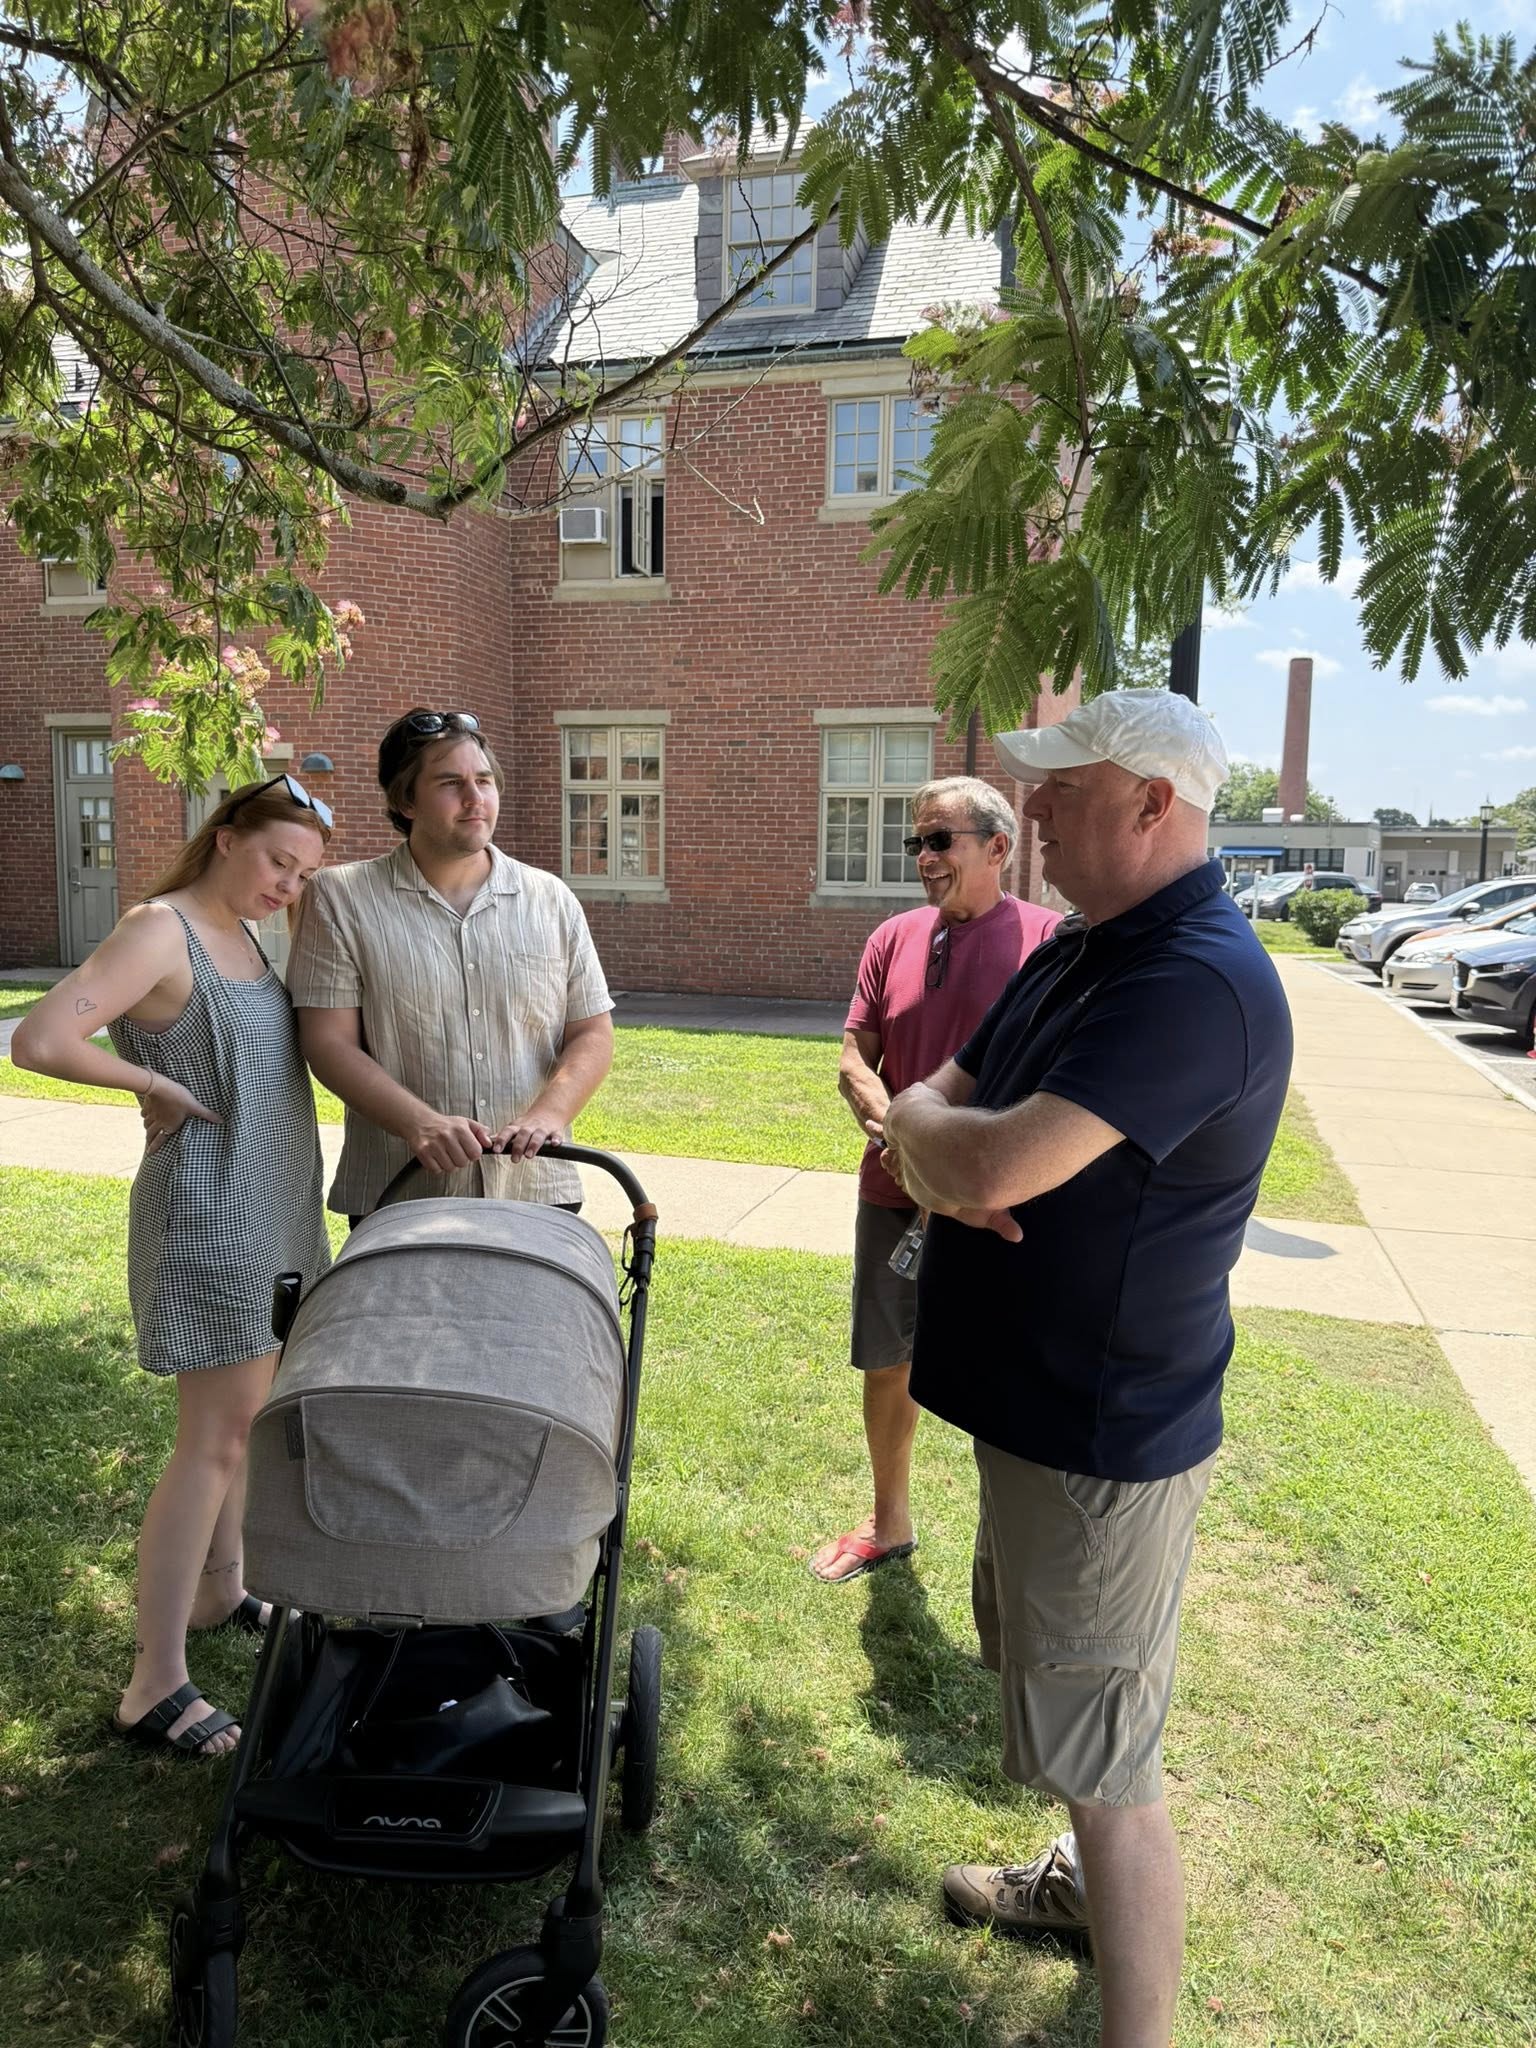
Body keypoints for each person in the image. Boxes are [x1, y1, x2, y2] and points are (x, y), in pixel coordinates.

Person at [877, 691, 1293, 2048]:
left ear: (1154, 807)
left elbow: (974, 1153)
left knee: (1109, 1761)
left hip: (1100, 1433)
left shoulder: (1197, 984)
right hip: (1032, 1414)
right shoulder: (1085, 952)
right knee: (1060, 1695)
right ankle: (1072, 1888)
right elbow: (926, 1096)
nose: (1032, 811)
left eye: (1063, 791)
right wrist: (938, 1147)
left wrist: (944, 1153)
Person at [12, 776, 334, 1758]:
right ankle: (153, 1681)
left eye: (303, 872)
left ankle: (221, 1588)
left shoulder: (242, 933)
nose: (288, 884)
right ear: (226, 836)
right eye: (278, 860)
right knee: (215, 1439)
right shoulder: (163, 929)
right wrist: (147, 1077)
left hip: (273, 1209)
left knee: (245, 1429)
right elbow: (39, 1036)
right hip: (209, 1216)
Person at [810, 776, 1060, 1583]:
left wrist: (965, 1162)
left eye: (939, 840)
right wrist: (892, 1131)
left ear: (998, 847)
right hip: (893, 1196)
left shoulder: (1050, 944)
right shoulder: (892, 939)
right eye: (916, 842)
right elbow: (857, 1053)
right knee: (888, 1361)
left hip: (1001, 1208)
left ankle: (1014, 1551)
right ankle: (890, 1522)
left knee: (1008, 1376)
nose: (923, 857)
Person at [287, 709, 614, 1221]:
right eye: (450, 782)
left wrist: (549, 1115)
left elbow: (592, 1030)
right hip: (401, 1190)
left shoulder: (550, 898)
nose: (475, 798)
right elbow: (328, 1043)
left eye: (483, 780)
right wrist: (419, 1123)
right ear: (404, 800)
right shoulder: (340, 898)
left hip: (536, 1187)